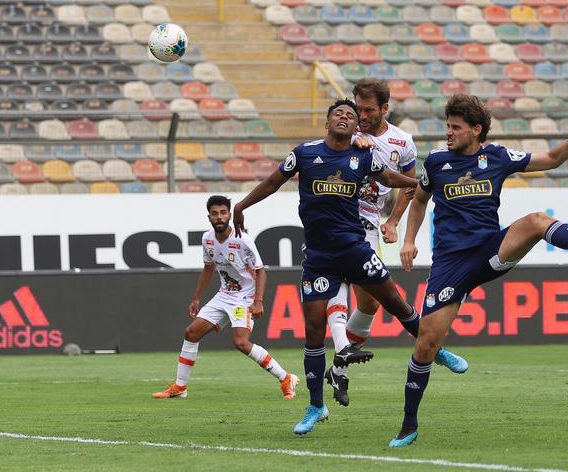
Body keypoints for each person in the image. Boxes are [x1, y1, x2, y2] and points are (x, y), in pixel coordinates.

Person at [388, 94, 568, 447]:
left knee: (536, 221)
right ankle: (409, 424)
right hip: (450, 264)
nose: (448, 132)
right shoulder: (437, 161)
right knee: (426, 343)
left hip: (489, 251)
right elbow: (420, 199)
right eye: (447, 126)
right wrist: (409, 240)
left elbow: (551, 159)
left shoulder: (497, 157)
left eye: (455, 127)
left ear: (476, 130)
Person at [232, 99, 464, 436]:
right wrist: (241, 205)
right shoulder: (305, 153)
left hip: (355, 248)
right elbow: (272, 182)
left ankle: (437, 350)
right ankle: (316, 405)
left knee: (395, 303)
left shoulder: (364, 156)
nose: (344, 117)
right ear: (327, 123)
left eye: (350, 115)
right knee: (314, 329)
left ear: (356, 127)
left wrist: (423, 184)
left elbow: (390, 177)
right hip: (318, 256)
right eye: (338, 114)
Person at [324, 78, 467, 408]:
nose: (361, 116)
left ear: (384, 108)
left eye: (368, 110)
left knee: (371, 303)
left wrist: (393, 221)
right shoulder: (347, 133)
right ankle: (432, 346)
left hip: (370, 223)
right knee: (364, 289)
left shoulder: (402, 142)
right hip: (339, 219)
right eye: (357, 109)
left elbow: (408, 185)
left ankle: (338, 369)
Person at [152, 195, 298, 400]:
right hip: (224, 295)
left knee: (241, 342)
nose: (219, 217)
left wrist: (258, 301)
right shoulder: (207, 239)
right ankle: (180, 387)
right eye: (214, 214)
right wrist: (196, 298)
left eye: (223, 213)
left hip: (244, 298)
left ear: (229, 215)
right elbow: (208, 267)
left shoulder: (242, 240)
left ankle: (285, 377)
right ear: (209, 217)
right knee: (191, 333)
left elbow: (261, 270)